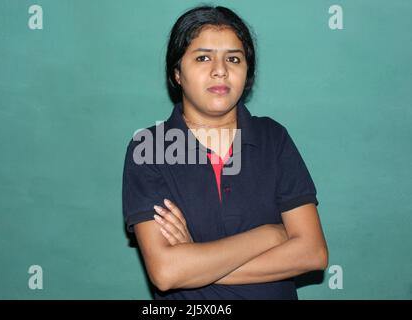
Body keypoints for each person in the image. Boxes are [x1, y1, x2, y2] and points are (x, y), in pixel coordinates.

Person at [122, 5, 328, 300]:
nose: (220, 70)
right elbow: (167, 273)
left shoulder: (273, 138)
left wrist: (195, 263)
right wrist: (271, 235)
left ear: (247, 72)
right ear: (177, 73)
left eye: (233, 58)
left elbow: (313, 253)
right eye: (203, 57)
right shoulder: (150, 148)